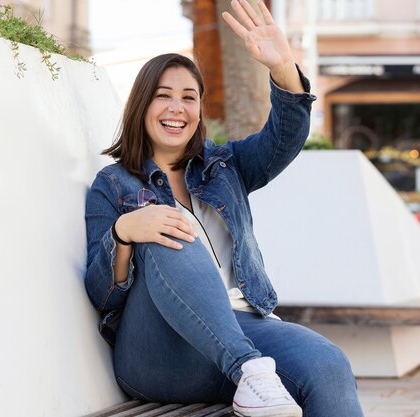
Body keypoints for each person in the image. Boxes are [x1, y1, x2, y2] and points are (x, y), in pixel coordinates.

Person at [84, 1, 364, 416]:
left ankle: (252, 374)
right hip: (161, 351)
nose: (177, 108)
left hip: (245, 326)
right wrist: (125, 231)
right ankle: (249, 370)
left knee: (329, 365)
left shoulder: (226, 167)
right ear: (141, 106)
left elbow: (284, 139)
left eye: (189, 97)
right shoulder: (114, 185)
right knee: (168, 227)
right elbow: (101, 293)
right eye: (163, 97)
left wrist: (283, 65)